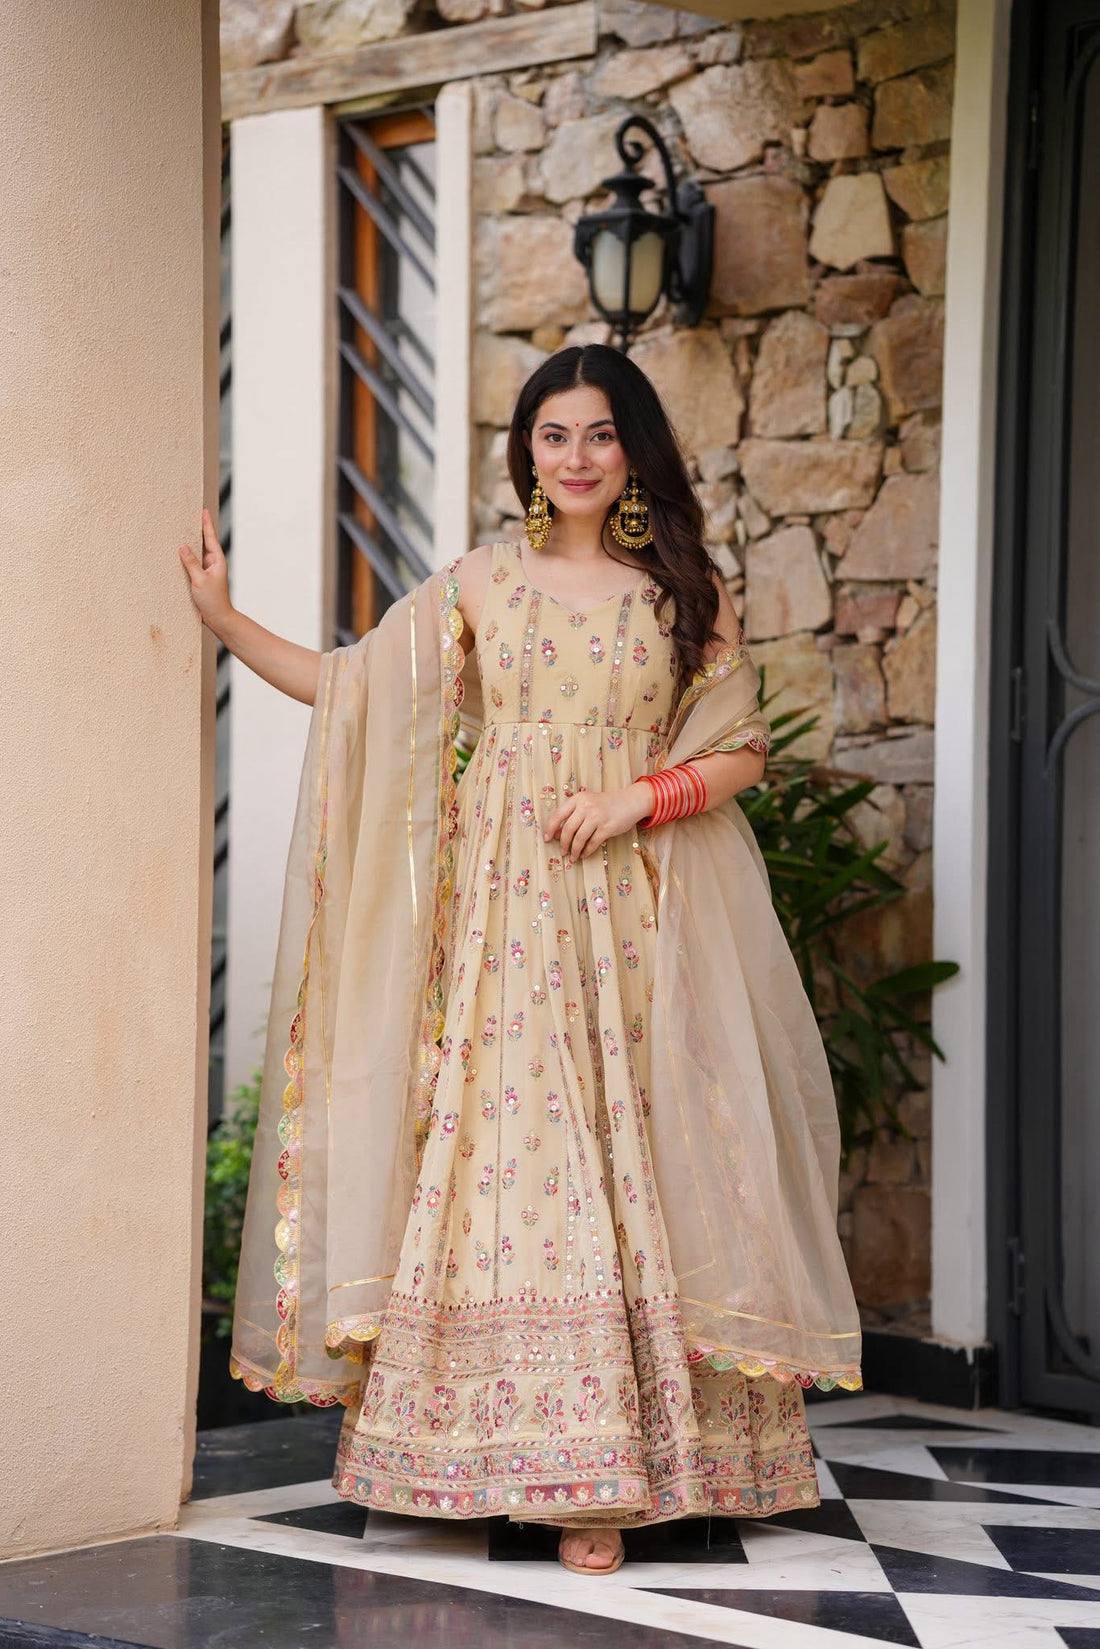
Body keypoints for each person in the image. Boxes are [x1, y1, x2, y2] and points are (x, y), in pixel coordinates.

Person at [180, 343, 862, 1576]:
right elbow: (353, 693)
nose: (577, 456)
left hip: (642, 921)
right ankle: (501, 1456)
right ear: (527, 453)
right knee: (515, 1165)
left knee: (636, 1162)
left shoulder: (677, 593)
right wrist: (225, 620)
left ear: (633, 448)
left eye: (599, 433)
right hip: (500, 930)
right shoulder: (480, 586)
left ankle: (617, 1476)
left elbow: (741, 748)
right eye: (554, 435)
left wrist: (638, 798)